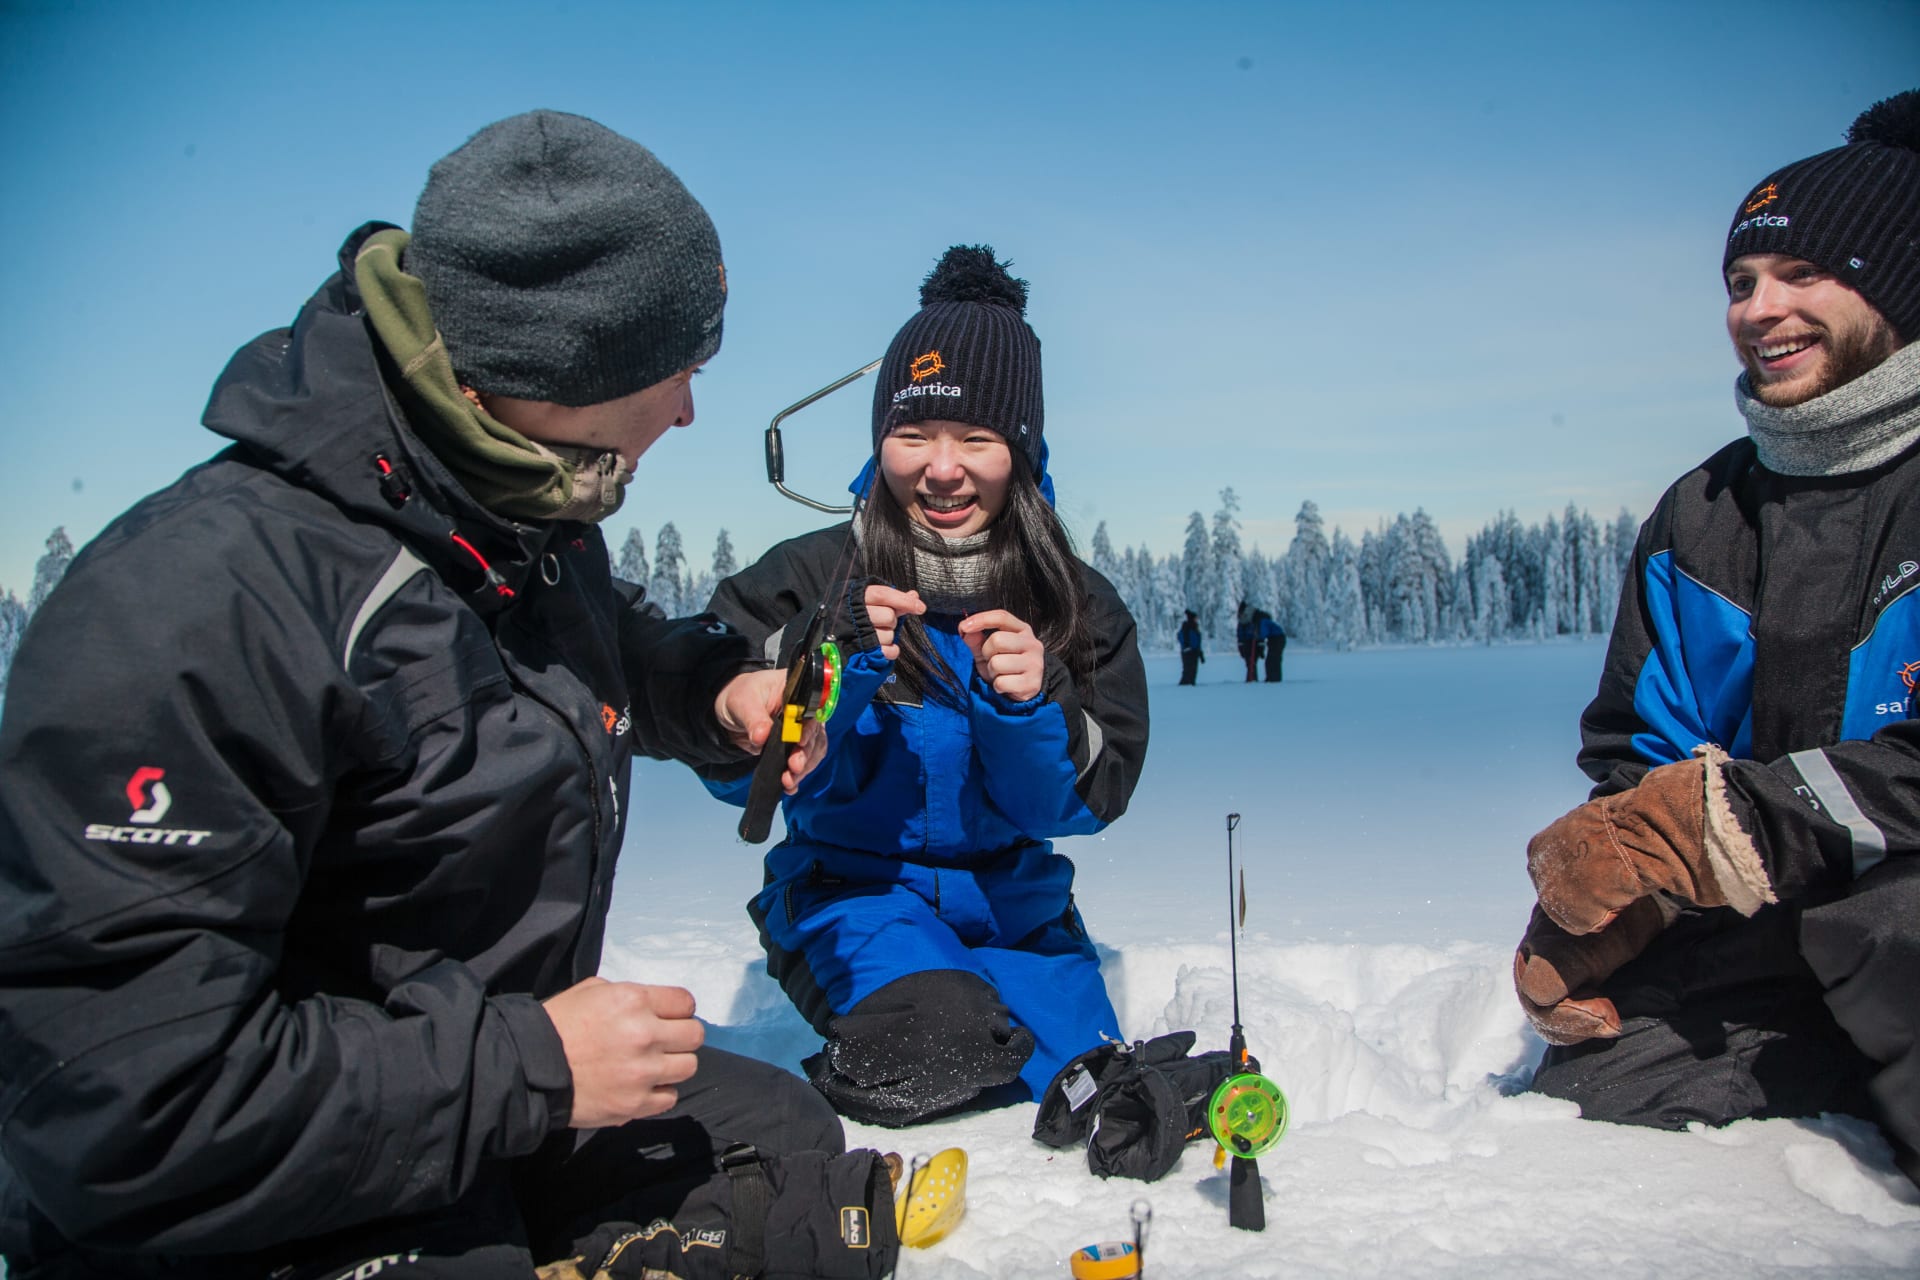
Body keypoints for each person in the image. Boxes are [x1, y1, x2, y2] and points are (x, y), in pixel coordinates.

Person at [0, 111, 903, 1279]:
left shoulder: (514, 511)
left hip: (469, 1084)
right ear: (563, 367)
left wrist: (718, 693)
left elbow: (591, 647)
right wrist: (532, 1063)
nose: (687, 410)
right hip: (252, 1175)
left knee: (787, 1157)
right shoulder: (195, 604)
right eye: (679, 369)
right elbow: (117, 1101)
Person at [1513, 90, 1920, 1183]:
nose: (1758, 308)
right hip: (1771, 932)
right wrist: (1616, 893)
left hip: (1906, 926)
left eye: (1802, 274)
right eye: (1740, 283)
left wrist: (1727, 817)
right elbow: (1640, 755)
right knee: (1598, 1085)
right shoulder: (1703, 514)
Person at [703, 246, 1150, 1127]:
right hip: (852, 901)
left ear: (1019, 450)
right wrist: (822, 662)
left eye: (976, 439)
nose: (941, 468)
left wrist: (1033, 702)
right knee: (939, 1044)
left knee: (1098, 1090)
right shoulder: (808, 578)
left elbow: (1090, 802)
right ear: (880, 440)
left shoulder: (1072, 601)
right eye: (914, 435)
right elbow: (720, 759)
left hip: (1018, 913)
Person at [1235, 600, 1261, 683]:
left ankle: (1251, 678)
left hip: (1249, 642)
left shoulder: (1246, 617)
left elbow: (1241, 632)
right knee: (1251, 662)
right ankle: (1252, 678)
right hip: (1249, 642)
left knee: (1251, 662)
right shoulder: (1250, 615)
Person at [1257, 609, 1286, 683]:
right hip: (1277, 639)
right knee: (1273, 659)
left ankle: (1274, 678)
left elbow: (1264, 633)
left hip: (1276, 639)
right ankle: (1273, 677)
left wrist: (1259, 639)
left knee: (1272, 659)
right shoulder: (1266, 621)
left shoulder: (1263, 621)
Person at [1177, 609, 1205, 684]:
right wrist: (1187, 647)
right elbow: (1181, 638)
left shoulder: (1193, 627)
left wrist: (1200, 654)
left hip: (1193, 652)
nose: (1197, 620)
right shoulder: (1188, 627)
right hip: (1189, 652)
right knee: (1188, 671)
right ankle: (1186, 686)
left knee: (1192, 671)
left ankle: (1190, 685)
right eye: (1196, 618)